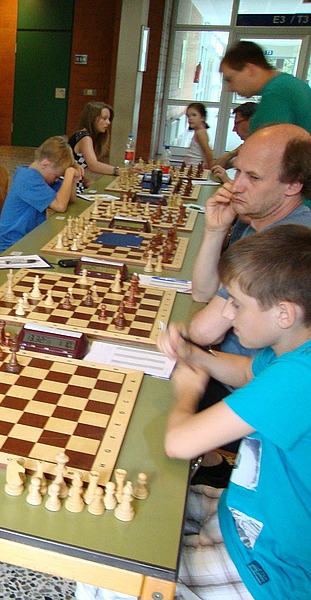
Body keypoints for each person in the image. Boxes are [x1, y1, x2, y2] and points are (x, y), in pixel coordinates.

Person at [77, 223, 311, 600]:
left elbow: (180, 443)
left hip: (273, 567)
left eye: (238, 303)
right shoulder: (295, 350)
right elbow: (246, 371)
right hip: (249, 511)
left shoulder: (299, 377)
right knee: (117, 511)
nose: (228, 313)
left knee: (104, 570)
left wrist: (187, 392)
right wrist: (193, 355)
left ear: (284, 313)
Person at [187, 124, 311, 487]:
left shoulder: (285, 240)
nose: (235, 185)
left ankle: (212, 476)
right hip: (240, 369)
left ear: (293, 185)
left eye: (252, 177)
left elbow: (203, 330)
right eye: (237, 170)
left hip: (249, 394)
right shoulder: (257, 219)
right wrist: (215, 230)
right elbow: (202, 292)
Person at [0, 136, 82, 253]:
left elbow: (71, 199)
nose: (57, 180)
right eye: (57, 176)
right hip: (14, 247)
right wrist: (70, 173)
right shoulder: (28, 178)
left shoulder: (42, 176)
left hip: (30, 239)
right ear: (45, 164)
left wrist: (73, 178)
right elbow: (60, 206)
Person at [220, 40, 311, 134]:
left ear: (249, 69)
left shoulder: (277, 92)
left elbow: (270, 141)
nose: (230, 88)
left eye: (230, 79)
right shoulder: (291, 83)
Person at [68, 102, 131, 193]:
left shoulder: (85, 135)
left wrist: (91, 183)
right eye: (104, 118)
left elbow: (77, 168)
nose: (108, 123)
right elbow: (93, 165)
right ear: (92, 119)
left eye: (109, 119)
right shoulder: (84, 137)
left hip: (77, 184)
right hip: (72, 189)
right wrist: (119, 171)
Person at [211, 102, 257, 184]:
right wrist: (233, 153)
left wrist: (228, 181)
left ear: (251, 122)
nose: (234, 129)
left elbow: (255, 188)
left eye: (237, 123)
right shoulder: (247, 147)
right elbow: (214, 168)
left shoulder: (263, 150)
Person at [183, 102, 213, 167]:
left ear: (203, 118)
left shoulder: (201, 132)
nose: (190, 118)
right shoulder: (197, 132)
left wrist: (211, 167)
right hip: (190, 167)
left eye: (194, 115)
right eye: (188, 116)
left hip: (195, 168)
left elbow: (208, 152)